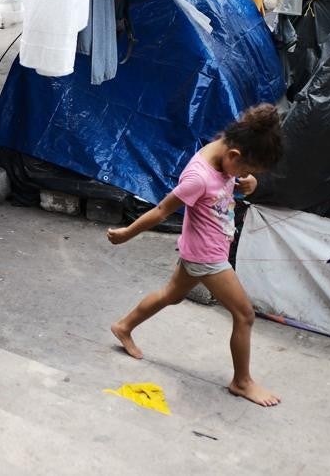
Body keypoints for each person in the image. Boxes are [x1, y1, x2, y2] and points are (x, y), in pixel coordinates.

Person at [107, 104, 285, 407]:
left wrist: (248, 185)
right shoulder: (198, 177)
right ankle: (241, 381)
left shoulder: (225, 151)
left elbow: (227, 184)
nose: (245, 175)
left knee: (170, 295)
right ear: (234, 157)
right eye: (246, 170)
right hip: (207, 258)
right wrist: (127, 233)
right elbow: (162, 210)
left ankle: (124, 326)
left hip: (200, 248)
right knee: (244, 315)